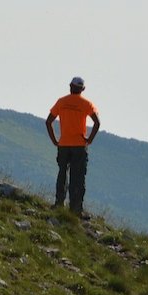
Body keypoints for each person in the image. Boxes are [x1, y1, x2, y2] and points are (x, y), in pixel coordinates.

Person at [45, 76, 100, 216]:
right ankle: (76, 209)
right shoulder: (86, 104)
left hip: (63, 144)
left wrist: (54, 140)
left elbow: (48, 121)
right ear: (83, 89)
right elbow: (97, 122)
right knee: (78, 177)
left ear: (70, 87)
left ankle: (59, 203)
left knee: (62, 173)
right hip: (79, 146)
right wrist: (90, 139)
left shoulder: (61, 102)